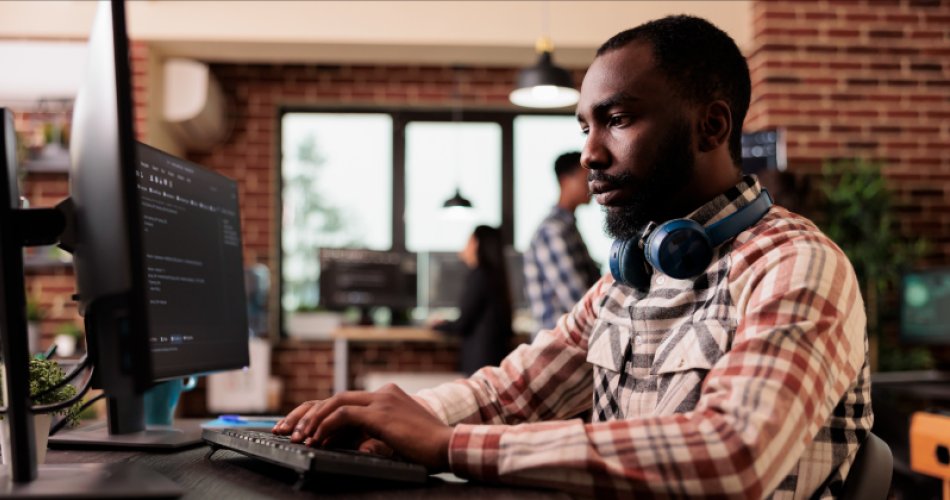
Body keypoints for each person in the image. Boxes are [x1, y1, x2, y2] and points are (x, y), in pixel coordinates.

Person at [274, 15, 871, 498]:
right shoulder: (631, 277)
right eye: (585, 126)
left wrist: (447, 445)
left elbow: (733, 454)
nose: (589, 154)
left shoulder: (796, 265)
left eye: (616, 120)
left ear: (710, 127)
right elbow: (511, 394)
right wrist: (386, 421)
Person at [524, 152, 602, 331]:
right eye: (587, 179)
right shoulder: (554, 231)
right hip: (558, 349)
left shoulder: (567, 227)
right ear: (565, 180)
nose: (593, 186)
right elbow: (579, 303)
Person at [430, 225, 514, 376]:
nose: (464, 247)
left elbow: (463, 323)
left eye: (468, 240)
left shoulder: (480, 276)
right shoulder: (496, 276)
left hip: (480, 362)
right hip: (493, 357)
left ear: (477, 244)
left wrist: (438, 326)